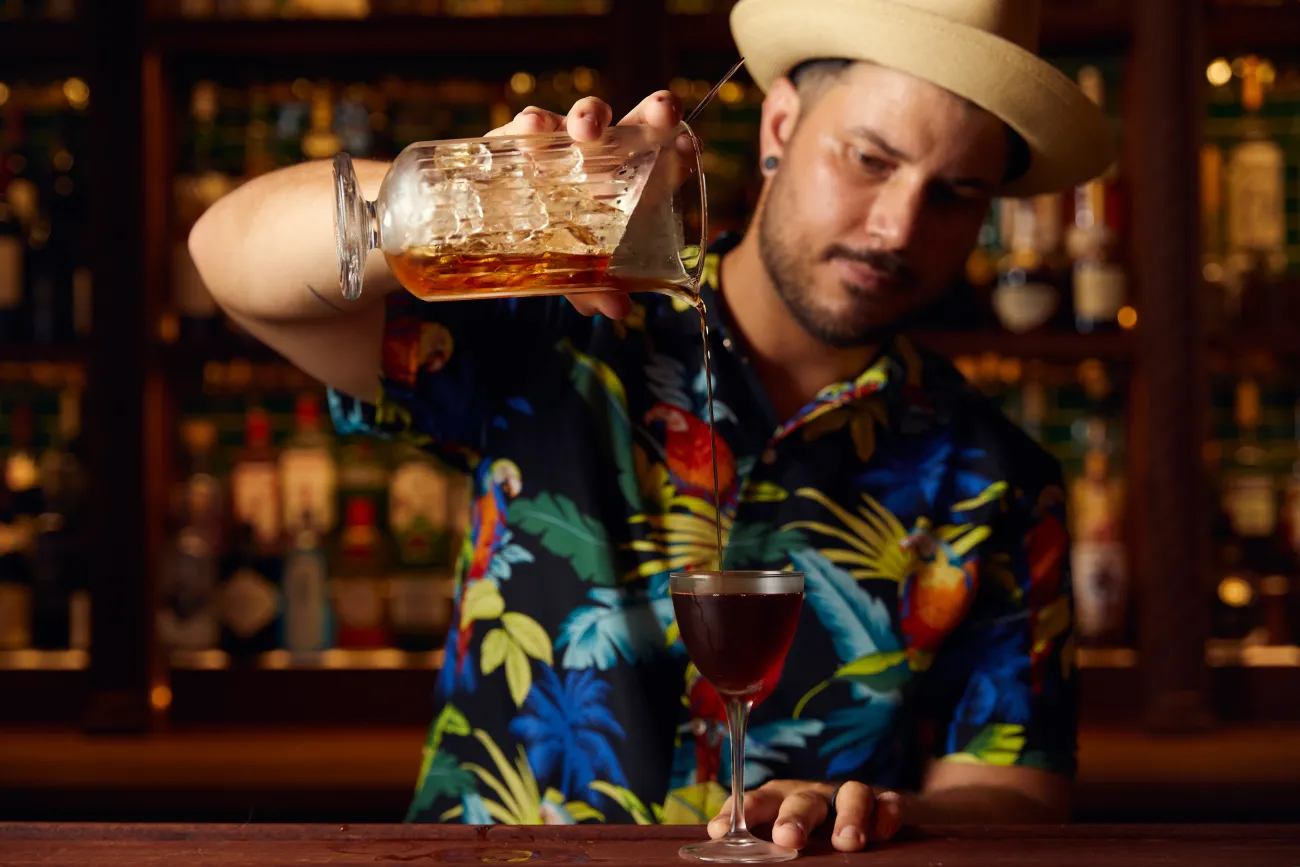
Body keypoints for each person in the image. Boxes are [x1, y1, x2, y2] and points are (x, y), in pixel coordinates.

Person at [189, 0, 1113, 852]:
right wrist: (475, 197)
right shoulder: (561, 330)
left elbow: (1019, 795)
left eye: (954, 194)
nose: (898, 227)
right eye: (870, 160)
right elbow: (226, 257)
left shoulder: (998, 478)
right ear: (780, 128)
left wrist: (892, 810)